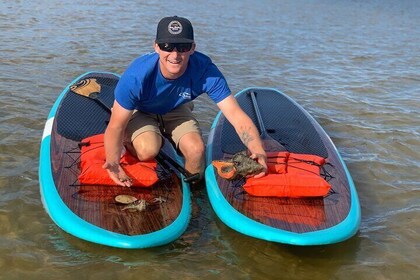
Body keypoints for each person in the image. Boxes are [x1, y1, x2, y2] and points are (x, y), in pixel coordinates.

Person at [103, 16, 267, 187]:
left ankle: (191, 192)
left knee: (197, 151)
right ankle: (137, 140)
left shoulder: (206, 71)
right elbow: (116, 126)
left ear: (192, 48)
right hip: (141, 108)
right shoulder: (135, 77)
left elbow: (236, 115)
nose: (175, 55)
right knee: (148, 150)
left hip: (176, 106)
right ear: (156, 47)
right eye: (167, 46)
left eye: (183, 47)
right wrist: (113, 161)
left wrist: (258, 151)